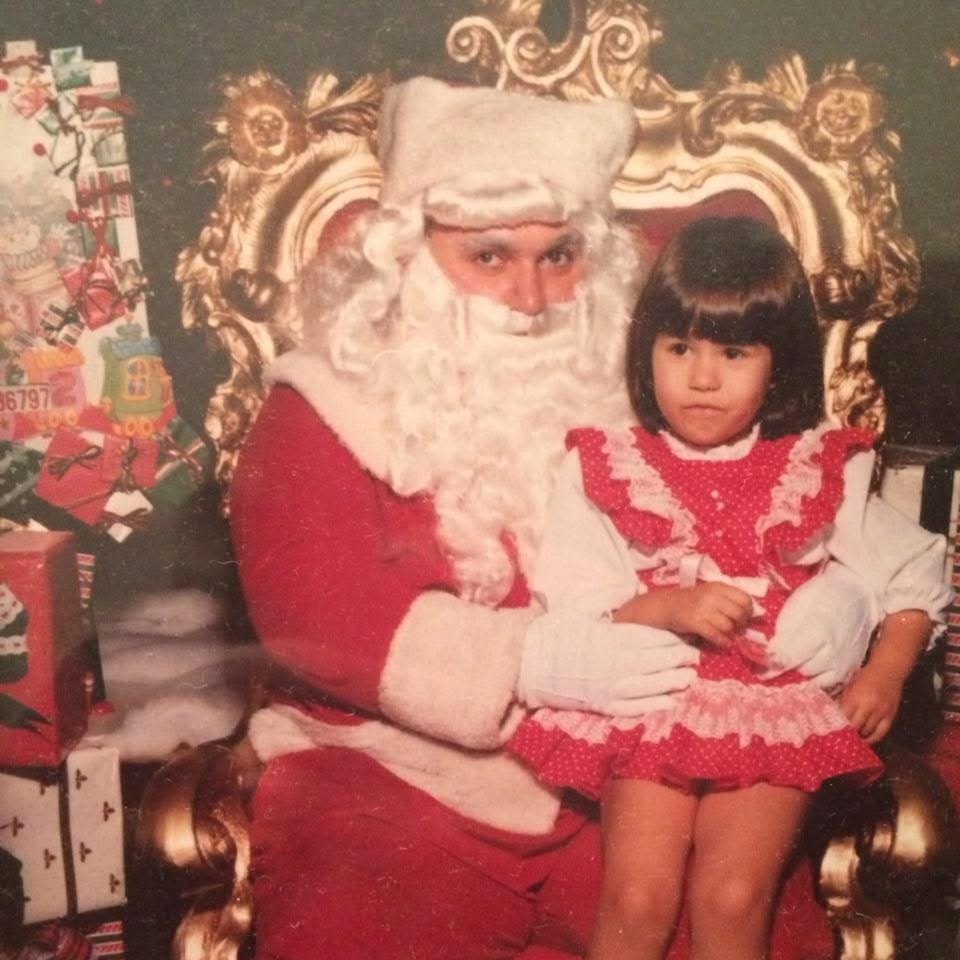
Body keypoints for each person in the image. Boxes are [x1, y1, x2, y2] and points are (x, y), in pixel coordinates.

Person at [229, 78, 890, 959]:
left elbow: (779, 505)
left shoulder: (660, 388)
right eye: (490, 257)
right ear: (410, 258)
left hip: (626, 774)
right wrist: (533, 660)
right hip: (393, 773)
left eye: (561, 257)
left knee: (747, 924)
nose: (532, 299)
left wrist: (845, 601)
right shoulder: (322, 403)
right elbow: (312, 615)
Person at [508, 216, 952, 960]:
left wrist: (887, 668)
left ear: (776, 365)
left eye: (734, 352)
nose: (703, 377)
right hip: (655, 700)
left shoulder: (815, 466)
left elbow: (914, 569)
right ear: (645, 348)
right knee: (638, 896)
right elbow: (577, 598)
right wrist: (667, 607)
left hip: (774, 708)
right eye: (679, 348)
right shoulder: (611, 464)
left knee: (731, 896)